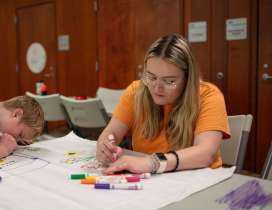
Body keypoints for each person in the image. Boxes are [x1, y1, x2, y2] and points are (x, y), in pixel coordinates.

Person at [96, 33, 230, 175]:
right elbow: (112, 133)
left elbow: (205, 153)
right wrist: (105, 145)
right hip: (154, 183)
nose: (157, 88)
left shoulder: (208, 96)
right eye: (151, 77)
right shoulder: (136, 92)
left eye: (169, 81)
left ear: (188, 79)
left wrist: (153, 163)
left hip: (200, 183)